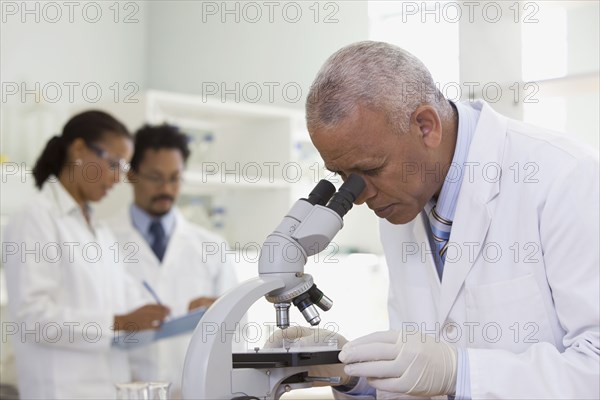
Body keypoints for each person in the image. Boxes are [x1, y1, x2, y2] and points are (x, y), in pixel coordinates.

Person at [281, 41, 599, 399]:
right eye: (343, 176)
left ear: (426, 126)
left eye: (370, 170)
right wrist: (354, 375)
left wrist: (461, 373)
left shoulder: (566, 177)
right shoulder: (401, 200)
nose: (360, 195)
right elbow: (421, 371)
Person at [3, 110, 171, 399]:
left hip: (109, 390)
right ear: (78, 149)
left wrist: (179, 311)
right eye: (114, 164)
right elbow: (33, 319)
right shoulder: (35, 219)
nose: (118, 178)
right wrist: (118, 323)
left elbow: (128, 301)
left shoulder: (100, 231)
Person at [109, 124, 238, 398]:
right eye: (155, 178)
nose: (166, 189)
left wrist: (219, 315)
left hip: (192, 391)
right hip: (125, 391)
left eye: (175, 178)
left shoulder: (211, 247)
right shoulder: (101, 242)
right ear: (131, 175)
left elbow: (240, 331)